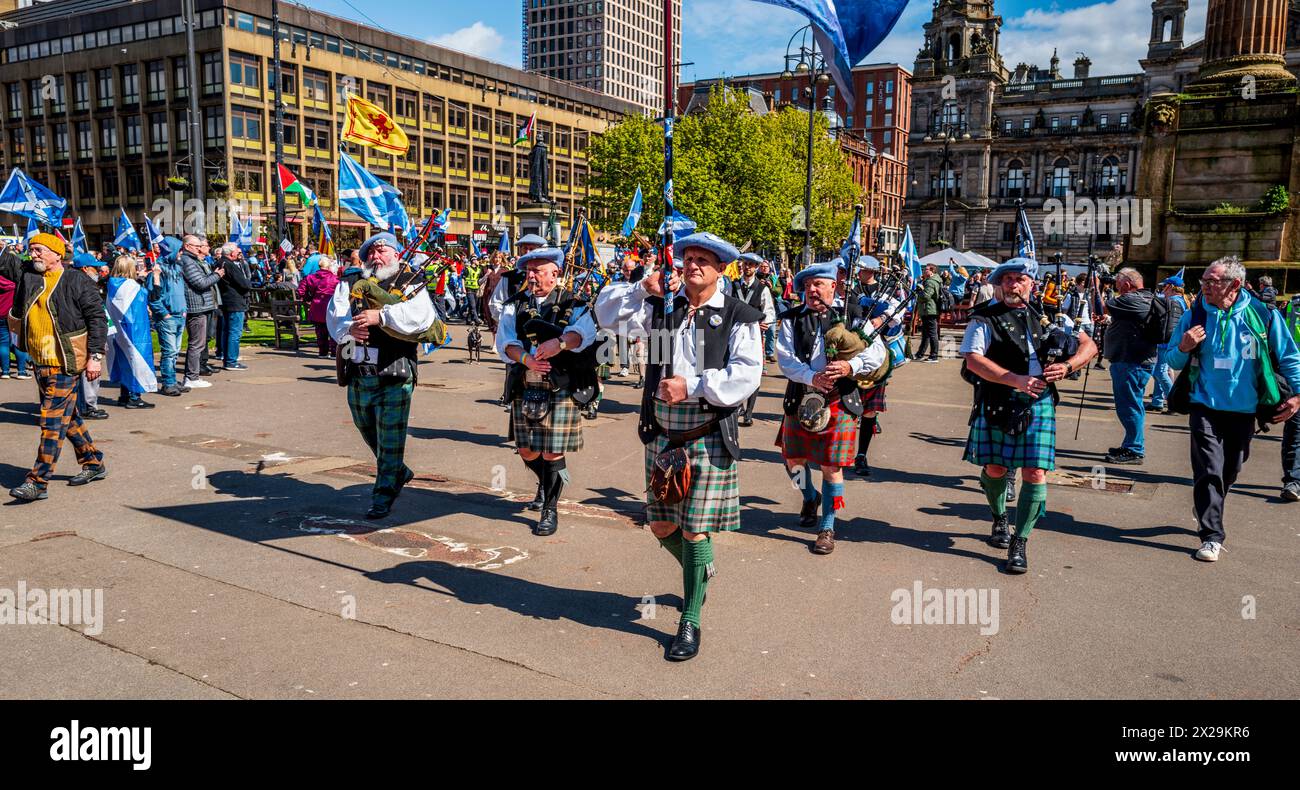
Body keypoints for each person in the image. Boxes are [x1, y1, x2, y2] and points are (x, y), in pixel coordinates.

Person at [595, 231, 763, 661]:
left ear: (721, 268)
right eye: (688, 258)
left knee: (693, 530)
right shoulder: (662, 308)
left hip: (706, 432)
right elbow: (606, 318)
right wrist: (640, 286)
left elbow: (747, 376)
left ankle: (690, 619)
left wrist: (692, 385)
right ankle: (702, 569)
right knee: (662, 526)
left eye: (703, 260)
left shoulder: (738, 315)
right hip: (663, 435)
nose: (693, 266)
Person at [959, 257, 1098, 573]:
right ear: (999, 284)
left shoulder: (1050, 317)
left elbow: (1090, 346)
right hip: (997, 397)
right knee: (994, 469)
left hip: (1039, 402)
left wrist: (1067, 366)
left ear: (1032, 284)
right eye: (1006, 279)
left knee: (1035, 472)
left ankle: (1019, 542)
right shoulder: (984, 318)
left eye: (1019, 279)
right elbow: (973, 361)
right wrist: (1014, 379)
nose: (1012, 284)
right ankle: (999, 517)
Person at [1165, 257, 1300, 561]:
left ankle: (1206, 504)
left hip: (1245, 410)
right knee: (1208, 469)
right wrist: (1184, 347)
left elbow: (1289, 356)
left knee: (1231, 469)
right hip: (1204, 405)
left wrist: (1298, 395)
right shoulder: (1195, 314)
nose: (1205, 287)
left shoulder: (1262, 315)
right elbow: (1172, 361)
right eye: (1204, 281)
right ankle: (1212, 535)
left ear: (1234, 285)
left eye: (1212, 281)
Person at [775, 260, 887, 555]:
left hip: (840, 399)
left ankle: (827, 525)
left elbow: (878, 352)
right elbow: (786, 360)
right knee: (793, 461)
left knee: (830, 467)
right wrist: (812, 376)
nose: (813, 289)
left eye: (819, 284)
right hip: (801, 395)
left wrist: (851, 366)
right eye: (808, 285)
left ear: (833, 286)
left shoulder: (853, 315)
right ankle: (809, 495)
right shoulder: (791, 319)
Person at [326, 232, 438, 519]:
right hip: (359, 371)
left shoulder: (409, 281)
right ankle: (397, 470)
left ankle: (383, 495)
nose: (376, 257)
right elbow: (335, 317)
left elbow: (421, 318)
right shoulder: (351, 282)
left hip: (395, 371)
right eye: (371, 253)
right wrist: (347, 330)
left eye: (383, 251)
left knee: (390, 436)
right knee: (366, 427)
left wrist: (382, 317)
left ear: (396, 254)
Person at [495, 247, 599, 535]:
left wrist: (560, 343)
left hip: (561, 386)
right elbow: (505, 341)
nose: (531, 275)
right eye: (528, 270)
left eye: (538, 270)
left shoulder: (573, 303)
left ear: (555, 274)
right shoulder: (514, 304)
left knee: (552, 453)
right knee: (527, 451)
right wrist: (526, 359)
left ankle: (549, 509)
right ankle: (546, 483)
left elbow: (585, 333)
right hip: (525, 383)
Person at [1, 233, 109, 501]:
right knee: (67, 418)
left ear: (57, 254)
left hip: (66, 361)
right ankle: (93, 463)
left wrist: (95, 356)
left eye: (39, 250)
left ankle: (37, 482)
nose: (33, 254)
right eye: (31, 250)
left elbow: (97, 319)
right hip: (40, 361)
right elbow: (5, 262)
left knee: (50, 422)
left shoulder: (77, 280)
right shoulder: (30, 275)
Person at [1097, 268, 1160, 465]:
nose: (1117, 290)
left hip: (1130, 362)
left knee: (1129, 407)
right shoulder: (1147, 298)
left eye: (1117, 287)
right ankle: (1132, 444)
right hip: (1136, 361)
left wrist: (1095, 286)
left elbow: (1101, 308)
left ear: (1126, 284)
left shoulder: (1132, 299)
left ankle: (1134, 449)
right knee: (1134, 405)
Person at [851, 255, 901, 477]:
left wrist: (882, 318)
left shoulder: (885, 289)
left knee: (870, 410)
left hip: (877, 353)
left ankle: (861, 455)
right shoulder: (852, 289)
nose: (861, 273)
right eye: (860, 270)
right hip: (851, 351)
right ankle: (840, 451)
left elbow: (898, 315)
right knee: (846, 408)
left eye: (865, 270)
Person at [104, 255, 157, 410]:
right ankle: (135, 397)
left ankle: (124, 395)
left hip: (117, 331)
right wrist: (152, 279)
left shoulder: (112, 285)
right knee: (136, 361)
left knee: (123, 362)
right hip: (133, 330)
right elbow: (149, 297)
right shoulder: (132, 286)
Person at [731, 252, 777, 426]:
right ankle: (737, 407)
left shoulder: (762, 288)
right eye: (745, 264)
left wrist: (765, 322)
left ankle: (749, 412)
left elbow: (770, 310)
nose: (748, 267)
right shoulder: (733, 285)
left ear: (756, 267)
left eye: (751, 264)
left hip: (754, 334)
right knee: (734, 370)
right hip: (734, 333)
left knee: (754, 371)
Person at [148, 237, 189, 397]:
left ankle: (172, 380)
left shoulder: (177, 269)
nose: (181, 253)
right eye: (179, 250)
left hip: (180, 315)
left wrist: (184, 310)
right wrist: (165, 314)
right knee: (169, 351)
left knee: (176, 351)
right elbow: (154, 298)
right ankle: (168, 383)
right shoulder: (158, 271)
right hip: (168, 318)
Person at [179, 235, 221, 389]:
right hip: (196, 307)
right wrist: (217, 275)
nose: (199, 248)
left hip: (201, 305)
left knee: (199, 343)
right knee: (196, 344)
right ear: (188, 246)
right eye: (197, 246)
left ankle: (193, 375)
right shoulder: (188, 261)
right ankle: (191, 377)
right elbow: (200, 283)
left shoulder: (193, 260)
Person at [1149, 275, 1188, 413]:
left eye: (1164, 286)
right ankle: (1157, 401)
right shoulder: (1182, 301)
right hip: (1171, 341)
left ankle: (1174, 401)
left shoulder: (1171, 301)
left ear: (1170, 287)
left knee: (1159, 372)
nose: (1162, 289)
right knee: (1160, 371)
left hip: (1166, 342)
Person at [488, 233, 546, 325]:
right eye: (525, 248)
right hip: (515, 330)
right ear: (520, 250)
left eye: (532, 249)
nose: (528, 252)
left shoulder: (547, 276)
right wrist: (509, 321)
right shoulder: (509, 277)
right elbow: (495, 303)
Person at [214, 243, 252, 371]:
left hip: (226, 301)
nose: (238, 253)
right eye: (236, 251)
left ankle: (227, 357)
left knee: (227, 331)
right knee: (234, 332)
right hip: (234, 302)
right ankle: (231, 360)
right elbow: (243, 283)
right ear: (231, 253)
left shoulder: (220, 263)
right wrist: (248, 282)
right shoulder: (229, 264)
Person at [298, 255, 340, 358]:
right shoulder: (335, 278)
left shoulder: (310, 277)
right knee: (333, 331)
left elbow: (300, 291)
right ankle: (334, 352)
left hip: (317, 306)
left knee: (320, 331)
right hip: (331, 306)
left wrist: (308, 298)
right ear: (329, 266)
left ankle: (323, 352)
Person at [1282, 293, 1300, 502]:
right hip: (1294, 375)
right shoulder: (1292, 306)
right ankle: (1293, 480)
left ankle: (1293, 480)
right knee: (1296, 430)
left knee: (1295, 431)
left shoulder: (1291, 305)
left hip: (1293, 374)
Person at [0, 268, 33, 380]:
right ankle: (22, 371)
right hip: (13, 315)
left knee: (3, 343)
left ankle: (5, 371)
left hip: (0, 315)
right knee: (17, 342)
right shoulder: (16, 283)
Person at [916, 263, 943, 361]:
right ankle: (920, 354)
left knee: (932, 334)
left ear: (932, 271)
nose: (924, 270)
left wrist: (918, 293)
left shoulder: (931, 282)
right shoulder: (929, 281)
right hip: (927, 310)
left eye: (926, 269)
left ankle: (934, 356)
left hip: (930, 310)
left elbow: (926, 296)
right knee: (926, 334)